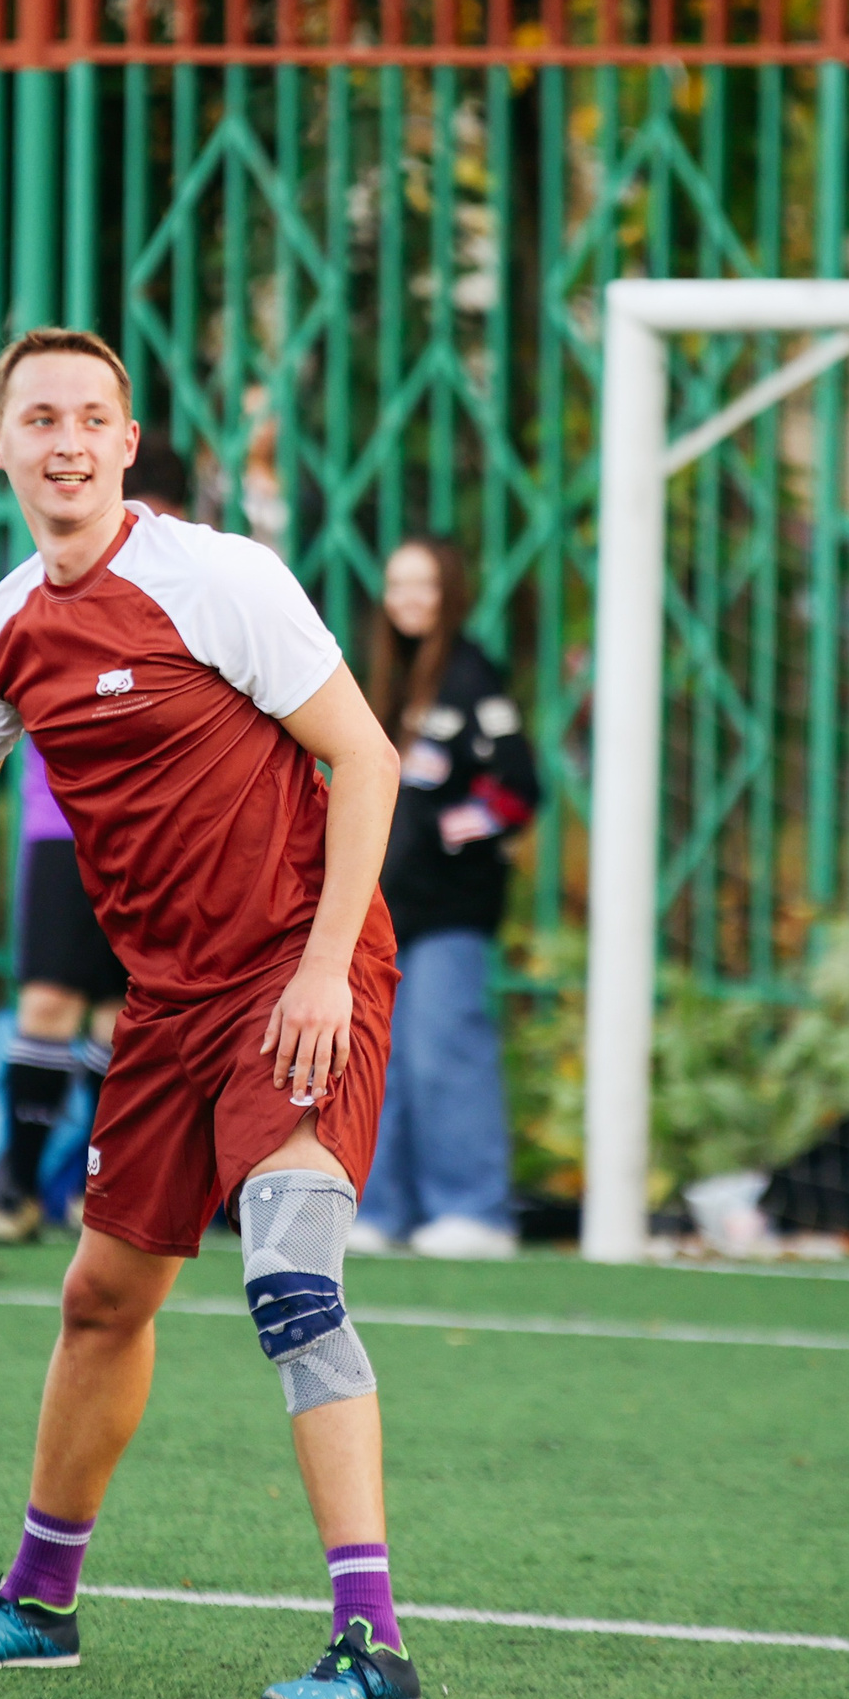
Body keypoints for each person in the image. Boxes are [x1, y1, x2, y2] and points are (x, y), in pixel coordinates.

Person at [0, 329, 416, 1699]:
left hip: (302, 971)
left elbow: (365, 757)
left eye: (93, 418)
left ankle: (373, 1642)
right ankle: (40, 1600)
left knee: (289, 1273)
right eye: (40, 419)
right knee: (99, 1300)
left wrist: (325, 968)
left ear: (129, 444)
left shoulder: (217, 578)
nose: (68, 441)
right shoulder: (5, 629)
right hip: (171, 1004)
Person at [0, 437, 191, 1245]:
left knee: (121, 1018)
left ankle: (88, 1194)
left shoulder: (198, 587)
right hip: (65, 832)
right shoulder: (58, 583)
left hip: (161, 843)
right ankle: (18, 1188)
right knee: (47, 1003)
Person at [354, 536, 539, 1262]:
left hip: (450, 911)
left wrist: (446, 834)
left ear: (450, 592)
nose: (408, 599)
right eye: (397, 584)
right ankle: (382, 1208)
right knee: (381, 1060)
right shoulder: (388, 683)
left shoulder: (471, 678)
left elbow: (519, 791)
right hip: (386, 911)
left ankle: (474, 1209)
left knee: (442, 1051)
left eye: (423, 585)